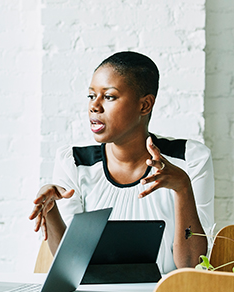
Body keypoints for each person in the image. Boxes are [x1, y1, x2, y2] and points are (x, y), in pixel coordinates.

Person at [29, 51, 214, 273]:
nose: (94, 107)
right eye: (91, 96)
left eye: (109, 97)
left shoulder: (189, 159)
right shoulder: (75, 163)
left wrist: (182, 187)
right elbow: (72, 267)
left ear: (145, 105)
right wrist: (51, 211)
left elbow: (192, 265)